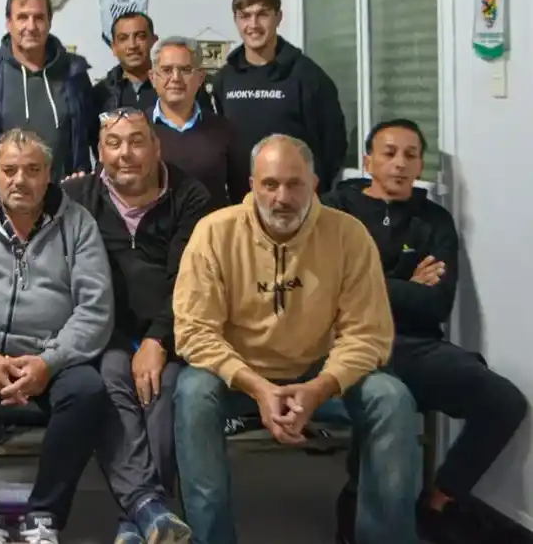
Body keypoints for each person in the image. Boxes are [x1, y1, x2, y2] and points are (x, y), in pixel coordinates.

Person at [173, 134, 419, 544]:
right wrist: (257, 386)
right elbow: (194, 331)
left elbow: (369, 335)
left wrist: (319, 388)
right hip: (239, 375)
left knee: (392, 399)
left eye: (294, 184)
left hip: (320, 370)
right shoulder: (213, 233)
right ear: (252, 184)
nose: (282, 197)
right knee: (192, 393)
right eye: (270, 184)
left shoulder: (349, 235)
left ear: (315, 184)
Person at [323, 119, 528, 540]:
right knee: (387, 404)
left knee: (505, 401)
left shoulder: (435, 220)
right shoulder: (335, 210)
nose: (399, 164)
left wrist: (369, 282)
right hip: (350, 342)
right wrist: (404, 283)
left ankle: (439, 500)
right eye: (389, 153)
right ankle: (358, 501)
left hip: (418, 344)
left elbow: (436, 302)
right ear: (368, 161)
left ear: (420, 166)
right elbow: (330, 288)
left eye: (410, 155)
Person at [0, 129, 127, 544]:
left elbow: (95, 309)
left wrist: (50, 361)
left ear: (49, 175)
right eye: (9, 170)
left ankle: (43, 516)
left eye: (32, 170)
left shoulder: (78, 224)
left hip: (50, 352)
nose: (20, 180)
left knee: (88, 390)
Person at [63, 110, 204, 543]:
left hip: (172, 334)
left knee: (165, 390)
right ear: (99, 152)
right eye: (114, 142)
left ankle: (138, 518)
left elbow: (191, 280)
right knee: (109, 381)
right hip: (106, 335)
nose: (126, 153)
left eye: (137, 141)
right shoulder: (76, 194)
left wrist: (158, 340)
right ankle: (151, 510)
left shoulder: (190, 195)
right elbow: (18, 191)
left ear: (156, 147)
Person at [212, 0, 347, 191]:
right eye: (245, 16)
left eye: (262, 15)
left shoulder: (308, 76)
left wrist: (317, 194)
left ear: (278, 17)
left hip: (295, 202)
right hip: (242, 205)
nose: (253, 24)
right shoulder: (225, 78)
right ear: (236, 20)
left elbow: (332, 146)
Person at [0, 0, 95, 180]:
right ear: (8, 23)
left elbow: (96, 136)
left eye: (39, 18)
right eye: (22, 17)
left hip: (66, 194)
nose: (31, 27)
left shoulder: (74, 73)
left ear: (49, 23)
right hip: (6, 193)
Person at [148, 37, 239, 209]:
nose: (176, 78)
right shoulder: (137, 129)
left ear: (200, 77)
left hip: (212, 234)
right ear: (153, 78)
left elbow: (241, 195)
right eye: (167, 70)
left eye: (185, 70)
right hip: (154, 234)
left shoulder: (224, 130)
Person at [92, 12, 157, 114]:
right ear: (113, 47)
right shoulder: (100, 94)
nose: (132, 45)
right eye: (123, 38)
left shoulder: (171, 87)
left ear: (153, 40)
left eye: (140, 36)